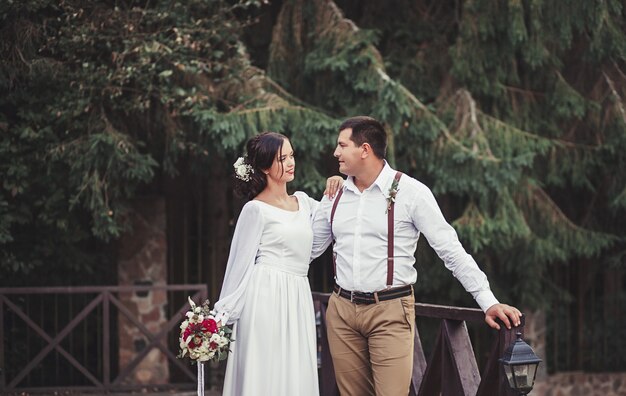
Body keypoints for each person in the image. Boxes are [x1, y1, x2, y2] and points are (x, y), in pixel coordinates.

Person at [310, 116, 523, 396]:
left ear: (364, 149)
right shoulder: (335, 194)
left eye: (342, 145)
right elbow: (310, 248)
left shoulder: (411, 192)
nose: (336, 152)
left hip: (389, 310)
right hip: (341, 311)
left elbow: (450, 249)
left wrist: (488, 301)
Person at [213, 132, 342, 396]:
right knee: (265, 371)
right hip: (264, 297)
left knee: (295, 371)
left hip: (298, 296)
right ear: (264, 167)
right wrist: (217, 320)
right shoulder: (255, 210)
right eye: (282, 158)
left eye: (292, 155)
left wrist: (338, 184)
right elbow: (239, 266)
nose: (291, 162)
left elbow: (333, 223)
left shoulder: (305, 204)